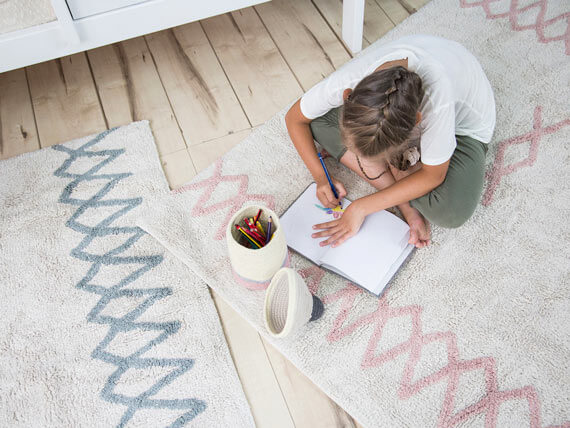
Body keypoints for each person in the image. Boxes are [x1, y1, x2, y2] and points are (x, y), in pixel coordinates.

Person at [285, 34, 496, 249]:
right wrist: (320, 177)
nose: (365, 161)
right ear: (347, 96)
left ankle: (401, 171)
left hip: (465, 128)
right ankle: (402, 177)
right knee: (317, 123)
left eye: (381, 159)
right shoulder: (350, 79)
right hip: (432, 71)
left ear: (416, 124)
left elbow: (434, 175)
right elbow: (294, 119)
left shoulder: (436, 101)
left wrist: (361, 207)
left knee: (450, 212)